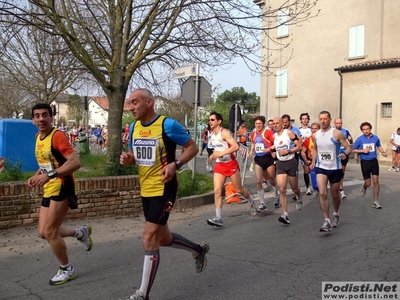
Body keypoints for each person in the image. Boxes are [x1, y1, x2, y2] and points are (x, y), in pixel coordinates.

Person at [120, 88, 209, 300]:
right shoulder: (134, 127)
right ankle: (198, 250)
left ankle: (142, 294)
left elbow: (193, 148)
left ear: (148, 102)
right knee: (163, 238)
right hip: (146, 188)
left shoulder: (167, 125)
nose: (131, 107)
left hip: (165, 187)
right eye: (130, 103)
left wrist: (175, 164)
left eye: (134, 102)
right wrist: (128, 158)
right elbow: (134, 154)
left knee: (149, 237)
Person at [27, 103, 92, 285]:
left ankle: (67, 269)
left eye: (45, 115)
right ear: (33, 120)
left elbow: (75, 162)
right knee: (43, 232)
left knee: (50, 231)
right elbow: (48, 164)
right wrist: (37, 175)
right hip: (50, 186)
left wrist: (51, 175)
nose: (41, 119)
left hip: (63, 185)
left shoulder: (58, 136)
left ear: (51, 117)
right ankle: (80, 233)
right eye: (37, 115)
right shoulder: (38, 138)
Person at [206, 112, 254, 228]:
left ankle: (252, 203)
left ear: (219, 121)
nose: (210, 122)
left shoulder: (224, 132)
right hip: (219, 166)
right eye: (209, 120)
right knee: (217, 191)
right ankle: (218, 218)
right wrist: (212, 157)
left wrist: (220, 154)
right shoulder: (211, 134)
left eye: (212, 119)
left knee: (239, 189)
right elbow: (216, 150)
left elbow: (236, 147)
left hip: (230, 164)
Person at [310, 111, 352, 232]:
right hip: (321, 167)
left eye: (325, 119)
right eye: (320, 119)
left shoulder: (337, 133)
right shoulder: (315, 135)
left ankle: (336, 213)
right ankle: (326, 220)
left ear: (329, 119)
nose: (322, 121)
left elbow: (349, 147)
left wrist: (345, 153)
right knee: (322, 192)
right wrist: (313, 161)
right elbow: (315, 150)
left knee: (334, 195)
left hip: (335, 168)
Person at [271, 117, 303, 225]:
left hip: (291, 163)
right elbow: (276, 146)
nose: (275, 125)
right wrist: (272, 151)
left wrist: (288, 151)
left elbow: (299, 146)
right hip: (280, 164)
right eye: (273, 123)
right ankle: (285, 214)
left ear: (282, 124)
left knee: (294, 188)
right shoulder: (274, 136)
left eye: (277, 123)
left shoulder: (289, 133)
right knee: (282, 189)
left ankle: (299, 196)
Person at [352, 122, 387, 209]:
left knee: (376, 180)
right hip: (365, 162)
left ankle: (376, 201)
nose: (366, 131)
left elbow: (378, 145)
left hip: (373, 161)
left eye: (367, 129)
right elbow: (353, 150)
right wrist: (362, 151)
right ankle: (364, 187)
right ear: (362, 130)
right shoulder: (359, 139)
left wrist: (382, 152)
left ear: (370, 129)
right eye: (364, 129)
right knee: (368, 183)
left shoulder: (375, 138)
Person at [248, 116, 278, 211]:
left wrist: (271, 150)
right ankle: (262, 203)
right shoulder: (253, 133)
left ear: (263, 124)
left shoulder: (268, 132)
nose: (258, 125)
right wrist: (251, 151)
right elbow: (253, 143)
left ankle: (276, 196)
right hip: (259, 159)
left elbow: (275, 143)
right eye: (256, 124)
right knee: (258, 181)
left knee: (272, 180)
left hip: (268, 158)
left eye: (260, 123)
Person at [334, 118, 354, 199]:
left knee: (342, 171)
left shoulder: (346, 131)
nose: (338, 125)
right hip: (335, 153)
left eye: (340, 123)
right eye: (337, 123)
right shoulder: (332, 131)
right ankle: (333, 186)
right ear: (334, 123)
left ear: (342, 123)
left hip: (344, 153)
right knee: (333, 171)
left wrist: (350, 139)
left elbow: (351, 142)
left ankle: (341, 189)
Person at [301, 122, 320, 195]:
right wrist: (306, 160)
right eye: (313, 128)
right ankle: (316, 189)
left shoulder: (323, 139)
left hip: (321, 162)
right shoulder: (308, 140)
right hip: (312, 162)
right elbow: (303, 152)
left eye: (316, 128)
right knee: (315, 186)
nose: (314, 130)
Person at [299, 113, 313, 195]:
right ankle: (308, 188)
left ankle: (316, 184)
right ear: (301, 120)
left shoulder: (312, 129)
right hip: (302, 152)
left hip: (311, 152)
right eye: (303, 119)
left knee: (313, 169)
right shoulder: (298, 130)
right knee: (306, 169)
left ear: (308, 119)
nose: (304, 120)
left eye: (306, 118)